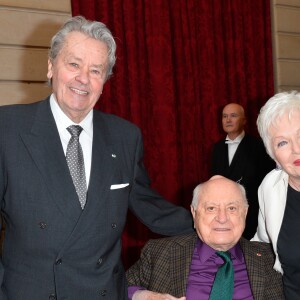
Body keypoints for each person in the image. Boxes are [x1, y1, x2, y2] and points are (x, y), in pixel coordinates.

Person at [0, 16, 194, 299]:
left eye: (96, 70)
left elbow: (151, 208)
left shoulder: (125, 137)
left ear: (105, 80)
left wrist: (212, 222)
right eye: (74, 64)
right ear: (51, 66)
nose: (83, 79)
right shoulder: (8, 129)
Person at [127, 176, 284, 300]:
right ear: (194, 214)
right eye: (211, 208)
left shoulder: (272, 257)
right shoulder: (160, 253)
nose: (222, 218)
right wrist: (144, 296)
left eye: (232, 208)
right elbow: (115, 286)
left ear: (245, 213)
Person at [252, 91, 300, 299]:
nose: (296, 150)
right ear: (274, 156)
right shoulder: (270, 186)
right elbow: (261, 245)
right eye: (282, 143)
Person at [211, 103, 275, 239]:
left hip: (252, 213)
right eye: (225, 116)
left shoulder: (259, 146)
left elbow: (268, 180)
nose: (228, 120)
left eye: (233, 116)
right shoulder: (217, 148)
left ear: (244, 120)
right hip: (225, 214)